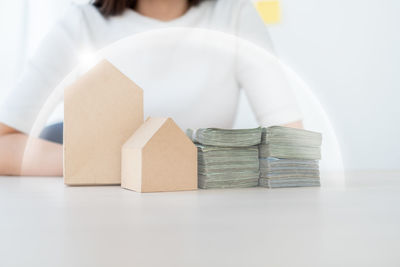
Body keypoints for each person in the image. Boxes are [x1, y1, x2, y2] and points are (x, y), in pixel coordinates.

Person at [0, 0, 302, 177]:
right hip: (102, 215)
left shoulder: (234, 14)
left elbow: (292, 144)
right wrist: (109, 165)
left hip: (202, 215)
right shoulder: (81, 22)